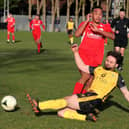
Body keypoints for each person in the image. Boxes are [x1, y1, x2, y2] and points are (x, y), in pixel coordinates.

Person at [27, 45, 129, 122]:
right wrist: (76, 52)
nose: (107, 63)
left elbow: (126, 93)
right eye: (107, 60)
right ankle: (86, 117)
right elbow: (82, 66)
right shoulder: (98, 69)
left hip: (94, 99)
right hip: (87, 97)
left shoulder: (117, 77)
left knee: (67, 100)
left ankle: (39, 106)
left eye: (111, 62)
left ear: (116, 65)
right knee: (61, 112)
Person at [73, 6, 114, 94]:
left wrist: (99, 31)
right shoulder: (86, 24)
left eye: (100, 14)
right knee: (86, 76)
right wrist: (87, 21)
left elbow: (113, 36)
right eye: (96, 14)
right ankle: (73, 99)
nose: (98, 16)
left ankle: (81, 102)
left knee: (90, 80)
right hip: (83, 57)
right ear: (91, 14)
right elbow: (76, 34)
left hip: (96, 59)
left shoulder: (105, 26)